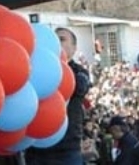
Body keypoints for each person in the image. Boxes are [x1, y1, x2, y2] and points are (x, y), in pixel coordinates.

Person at [24, 27, 90, 165]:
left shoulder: (79, 71)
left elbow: (80, 86)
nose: (57, 43)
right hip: (35, 147)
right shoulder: (33, 67)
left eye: (62, 39)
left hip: (66, 149)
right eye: (54, 39)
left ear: (74, 48)